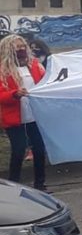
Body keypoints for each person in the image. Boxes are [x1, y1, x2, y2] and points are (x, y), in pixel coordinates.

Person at [1, 35, 49, 192]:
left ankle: (40, 185)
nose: (21, 49)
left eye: (23, 46)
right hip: (15, 118)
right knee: (19, 150)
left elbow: (45, 83)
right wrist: (15, 94)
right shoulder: (2, 70)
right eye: (17, 46)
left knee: (39, 149)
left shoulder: (35, 65)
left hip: (34, 116)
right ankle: (13, 186)